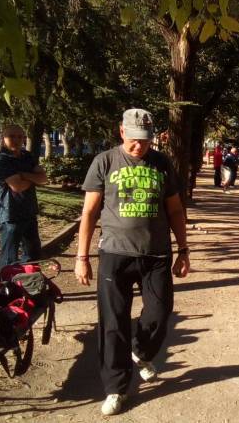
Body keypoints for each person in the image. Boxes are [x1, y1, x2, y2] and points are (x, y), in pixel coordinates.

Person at [75, 108, 190, 416]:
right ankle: (115, 389)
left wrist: (183, 250)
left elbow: (175, 210)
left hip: (156, 254)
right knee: (113, 323)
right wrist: (82, 257)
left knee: (160, 312)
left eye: (146, 140)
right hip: (116, 254)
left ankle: (141, 351)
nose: (140, 146)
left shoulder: (162, 163)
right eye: (134, 139)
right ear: (122, 132)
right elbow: (89, 212)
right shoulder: (104, 162)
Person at [0, 125, 48, 272]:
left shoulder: (27, 156)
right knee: (9, 259)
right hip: (10, 216)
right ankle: (5, 284)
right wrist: (32, 178)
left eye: (20, 136)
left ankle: (29, 283)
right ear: (3, 139)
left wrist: (22, 175)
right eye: (11, 136)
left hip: (29, 212)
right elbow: (17, 186)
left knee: (33, 256)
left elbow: (43, 179)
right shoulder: (1, 160)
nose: (16, 140)